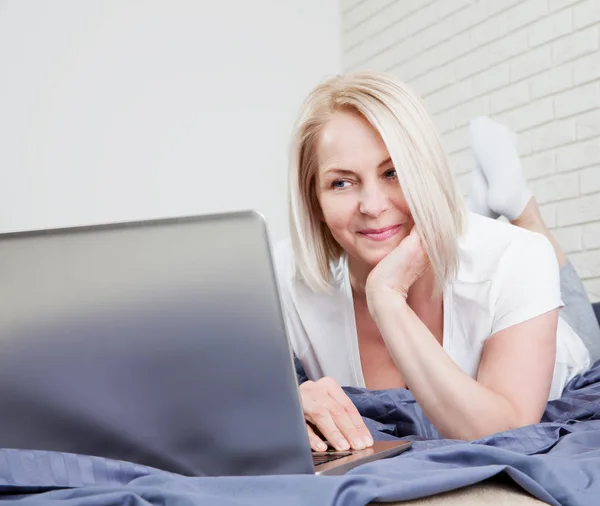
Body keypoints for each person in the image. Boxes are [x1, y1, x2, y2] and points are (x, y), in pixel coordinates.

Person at [274, 71, 600, 453]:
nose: (373, 206)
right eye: (341, 183)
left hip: (563, 345)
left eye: (393, 173)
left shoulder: (520, 256)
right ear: (314, 199)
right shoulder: (285, 275)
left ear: (425, 175)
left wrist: (387, 298)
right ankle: (478, 208)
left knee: (583, 323)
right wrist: (290, 400)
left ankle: (520, 207)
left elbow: (504, 434)